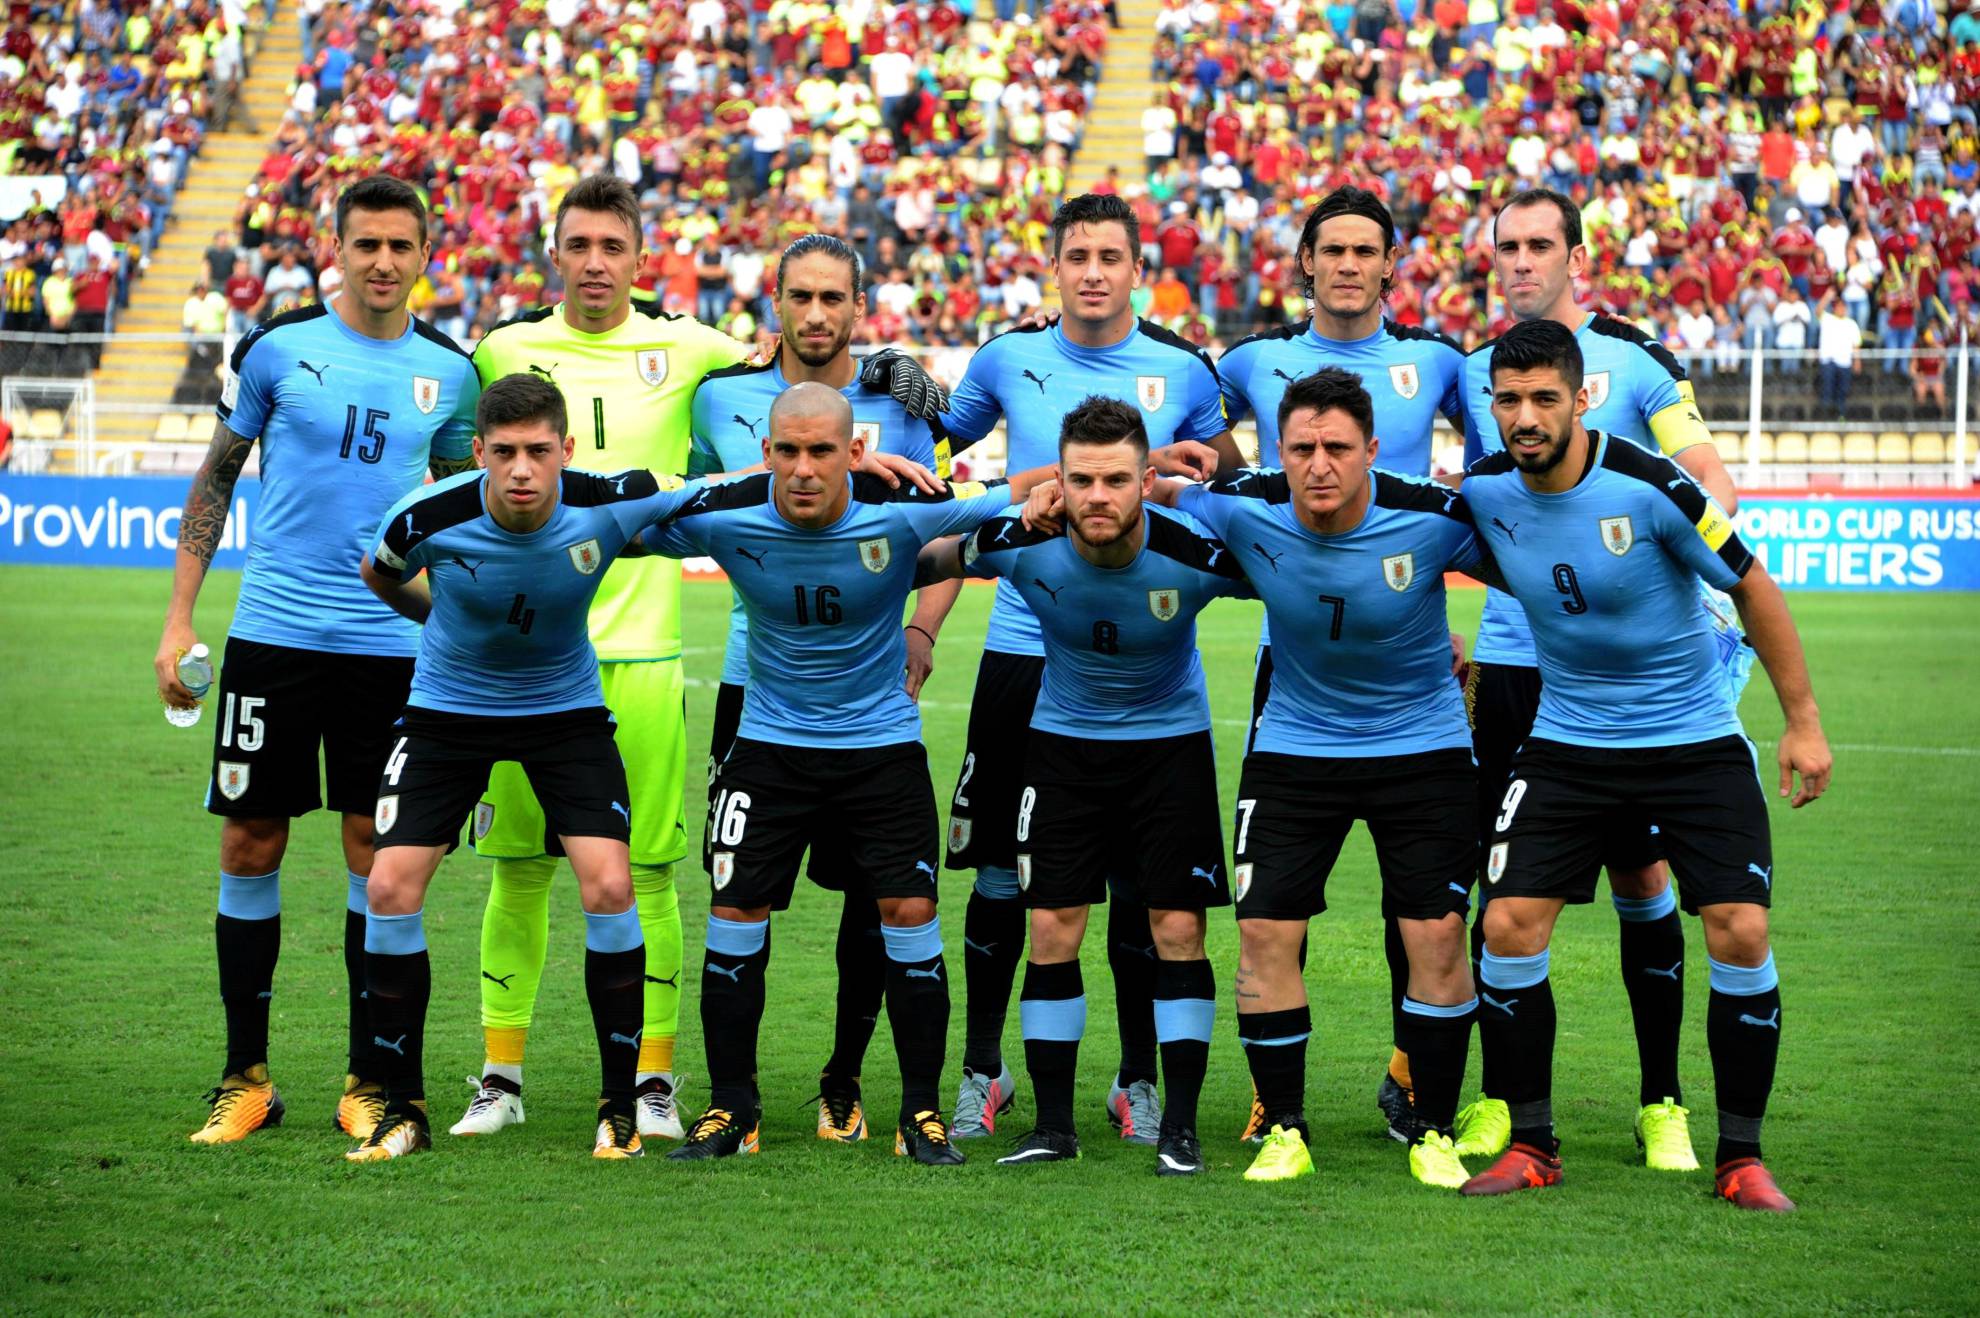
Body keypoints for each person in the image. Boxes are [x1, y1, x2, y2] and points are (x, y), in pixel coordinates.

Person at [1456, 319, 1830, 1213]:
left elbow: (1751, 584)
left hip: (1691, 743)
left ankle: (1741, 1158)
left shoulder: (1651, 482)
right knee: (1507, 925)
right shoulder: (1482, 493)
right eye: (1508, 400)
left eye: (1545, 397)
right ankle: (1533, 1143)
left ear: (1581, 398)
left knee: (1739, 927)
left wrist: (1802, 723)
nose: (1525, 416)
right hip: (1569, 742)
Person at [636, 381, 1054, 1165]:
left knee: (907, 913)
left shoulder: (901, 515)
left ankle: (920, 1115)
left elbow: (1012, 493)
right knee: (734, 911)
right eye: (787, 451)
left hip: (880, 752)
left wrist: (1082, 481)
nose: (802, 468)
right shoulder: (728, 517)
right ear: (765, 455)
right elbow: (621, 521)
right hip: (768, 748)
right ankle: (732, 1109)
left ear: (855, 454)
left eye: (822, 451)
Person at [153, 176, 480, 1146]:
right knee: (249, 842)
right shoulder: (277, 348)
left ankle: (369, 1078)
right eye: (366, 243)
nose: (383, 260)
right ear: (334, 248)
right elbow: (214, 479)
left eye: (401, 245)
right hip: (271, 639)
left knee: (374, 858)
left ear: (427, 254)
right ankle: (244, 1075)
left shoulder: (449, 371)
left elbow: (461, 512)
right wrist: (179, 622)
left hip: (394, 652)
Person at [934, 193, 1238, 1144]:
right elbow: (942, 457)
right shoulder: (1003, 356)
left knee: (1140, 890)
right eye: (1077, 255)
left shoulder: (1183, 366)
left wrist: (1203, 466)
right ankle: (985, 1072)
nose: (1094, 271)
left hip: (1142, 666)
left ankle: (1136, 1081)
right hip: (1026, 651)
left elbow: (1222, 463)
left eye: (1112, 255)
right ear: (1053, 266)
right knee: (998, 876)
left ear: (1137, 268)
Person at [455, 174, 750, 1145]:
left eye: (610, 246)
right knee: (519, 870)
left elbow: (792, 371)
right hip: (520, 660)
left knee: (653, 876)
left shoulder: (694, 349)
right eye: (576, 244)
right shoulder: (502, 348)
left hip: (644, 662)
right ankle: (501, 1075)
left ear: (638, 256)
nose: (593, 262)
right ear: (555, 251)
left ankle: (652, 1084)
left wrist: (882, 376)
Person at [1452, 187, 1743, 1169]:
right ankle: (1502, 1101)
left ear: (1577, 253)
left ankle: (1662, 1099)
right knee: (1499, 892)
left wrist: (1693, 592)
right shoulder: (1476, 369)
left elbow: (1708, 479)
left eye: (1540, 244)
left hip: (1626, 687)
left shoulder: (1636, 362)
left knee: (1641, 873)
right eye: (1507, 247)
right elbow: (1469, 513)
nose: (1521, 261)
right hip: (1511, 665)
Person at [351, 372, 712, 1162]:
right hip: (448, 713)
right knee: (388, 886)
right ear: (477, 453)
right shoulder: (426, 517)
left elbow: (719, 491)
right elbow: (380, 572)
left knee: (613, 885)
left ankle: (618, 1108)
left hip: (565, 715)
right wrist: (438, 616)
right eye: (505, 452)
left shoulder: (610, 499)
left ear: (565, 451)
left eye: (538, 452)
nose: (521, 469)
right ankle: (401, 1106)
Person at [1148, 368, 1492, 1189]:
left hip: (1424, 750)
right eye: (1301, 448)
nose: (1320, 464)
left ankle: (1434, 1129)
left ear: (1372, 450)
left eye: (1339, 448)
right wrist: (1147, 461)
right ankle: (1286, 1128)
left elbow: (1536, 552)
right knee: (1264, 933)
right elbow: (1122, 494)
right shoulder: (1240, 505)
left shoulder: (1434, 514)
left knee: (1436, 936)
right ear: (1278, 451)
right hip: (1296, 748)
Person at [1207, 186, 1470, 1142]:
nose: (1350, 264)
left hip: (1416, 663)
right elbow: (1192, 450)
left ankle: (1415, 1084)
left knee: (1431, 920)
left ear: (1389, 264)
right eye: (1334, 249)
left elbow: (1495, 487)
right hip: (1298, 671)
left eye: (1368, 249)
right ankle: (1276, 1105)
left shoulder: (1437, 362)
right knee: (1274, 918)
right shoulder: (1251, 362)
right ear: (1306, 263)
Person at [688, 232, 961, 1144]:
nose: (814, 314)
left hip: (870, 684)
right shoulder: (721, 393)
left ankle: (845, 1077)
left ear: (858, 306)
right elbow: (691, 505)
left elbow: (942, 523)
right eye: (798, 297)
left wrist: (921, 626)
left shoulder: (906, 396)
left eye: (831, 299)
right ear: (775, 302)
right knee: (738, 896)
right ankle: (737, 1100)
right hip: (753, 684)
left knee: (874, 903)